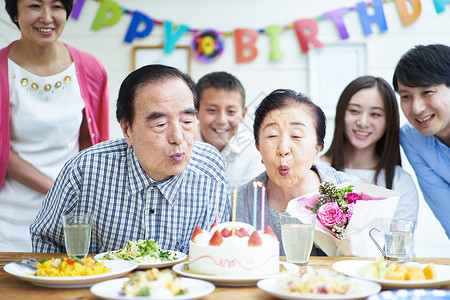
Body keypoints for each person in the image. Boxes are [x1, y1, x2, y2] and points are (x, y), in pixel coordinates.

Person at [31, 64, 232, 254]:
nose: (178, 138)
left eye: (187, 121)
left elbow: (219, 249)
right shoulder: (85, 170)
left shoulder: (210, 170)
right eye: (160, 124)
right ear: (127, 130)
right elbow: (46, 239)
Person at [0, 0, 109, 251]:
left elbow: (92, 143)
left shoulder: (92, 69)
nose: (47, 17)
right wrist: (56, 189)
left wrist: (79, 200)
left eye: (57, 6)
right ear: (15, 13)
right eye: (35, 6)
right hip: (10, 218)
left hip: (72, 217)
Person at [236, 89, 359, 256]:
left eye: (296, 135)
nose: (283, 149)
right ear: (259, 148)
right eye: (272, 135)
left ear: (317, 150)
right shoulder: (239, 203)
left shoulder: (351, 194)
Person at [321, 76, 419, 225]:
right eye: (354, 111)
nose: (363, 122)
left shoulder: (400, 182)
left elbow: (401, 245)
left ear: (389, 121)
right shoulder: (317, 170)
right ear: (341, 113)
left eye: (375, 114)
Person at [392, 44, 450, 239]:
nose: (416, 108)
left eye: (427, 92)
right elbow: (446, 212)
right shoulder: (413, 139)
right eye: (406, 96)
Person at [196, 71, 265, 188]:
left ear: (243, 114)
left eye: (231, 112)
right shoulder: (181, 147)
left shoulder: (253, 153)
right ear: (195, 110)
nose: (222, 120)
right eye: (212, 110)